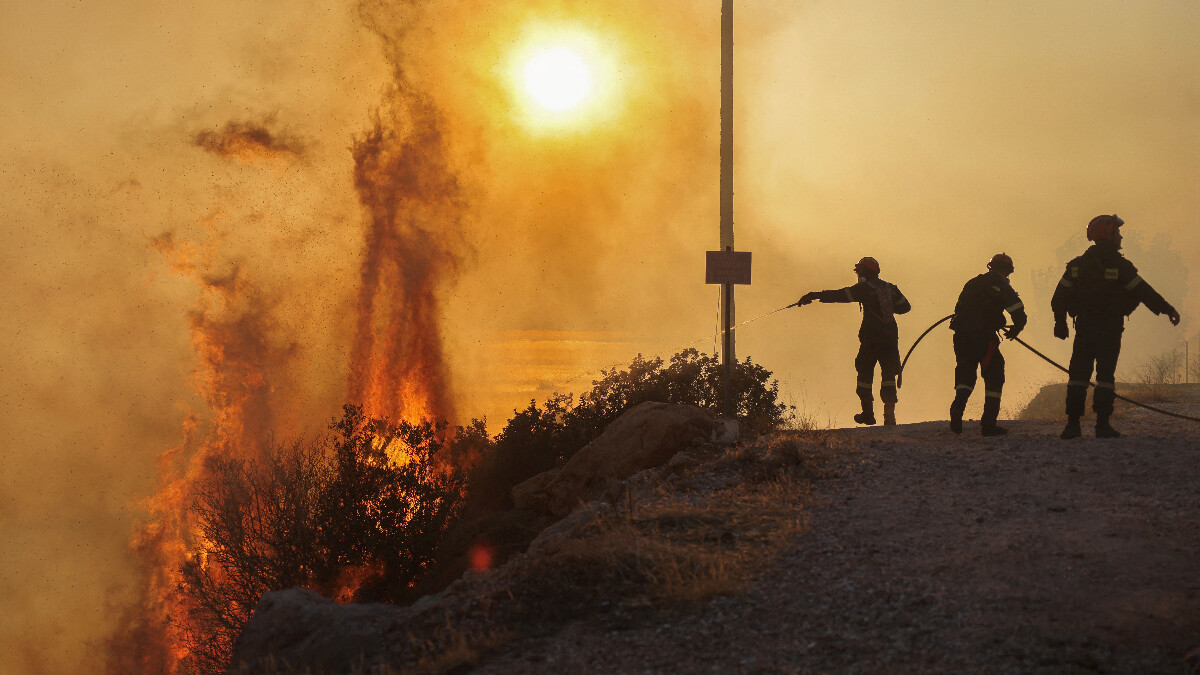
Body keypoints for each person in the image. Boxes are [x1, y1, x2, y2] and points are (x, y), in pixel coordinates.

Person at [1051, 214, 1180, 439]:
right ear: (1108, 235)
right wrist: (1168, 309)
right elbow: (1143, 292)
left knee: (1078, 376)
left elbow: (1059, 298)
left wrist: (1060, 323)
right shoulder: (1120, 266)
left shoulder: (1077, 266)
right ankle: (1102, 425)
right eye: (1117, 233)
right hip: (1109, 329)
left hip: (1084, 328)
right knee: (1105, 377)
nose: (1120, 237)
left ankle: (1072, 425)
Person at [798, 257, 911, 425]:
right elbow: (905, 307)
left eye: (859, 272)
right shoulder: (891, 289)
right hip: (890, 338)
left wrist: (814, 295)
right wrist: (887, 306)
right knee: (888, 375)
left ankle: (868, 414)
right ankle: (889, 416)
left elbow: (840, 295)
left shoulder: (863, 289)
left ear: (864, 273)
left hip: (871, 340)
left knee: (864, 376)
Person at [948, 253, 1028, 436]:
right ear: (1006, 271)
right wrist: (1016, 329)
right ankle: (988, 424)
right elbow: (1018, 312)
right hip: (984, 338)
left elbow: (958, 309)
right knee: (995, 374)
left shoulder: (972, 283)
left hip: (961, 335)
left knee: (965, 372)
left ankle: (958, 405)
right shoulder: (1002, 286)